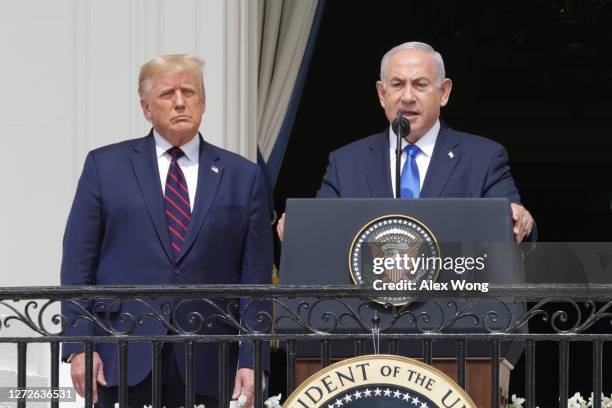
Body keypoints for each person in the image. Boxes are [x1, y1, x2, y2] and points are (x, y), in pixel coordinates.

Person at [61, 54, 272, 408]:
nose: (179, 102)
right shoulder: (105, 166)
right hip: (121, 355)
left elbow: (256, 281)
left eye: (189, 92)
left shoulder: (242, 176)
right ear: (146, 107)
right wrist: (80, 346)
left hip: (208, 358)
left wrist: (253, 359)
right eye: (167, 94)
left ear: (203, 101)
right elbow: (79, 263)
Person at [277, 41, 534, 242]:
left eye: (420, 84)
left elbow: (513, 226)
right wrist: (299, 226)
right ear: (381, 94)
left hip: (454, 305)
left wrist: (520, 218)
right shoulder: (346, 163)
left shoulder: (483, 158)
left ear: (444, 92)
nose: (407, 97)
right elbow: (319, 230)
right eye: (398, 84)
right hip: (366, 307)